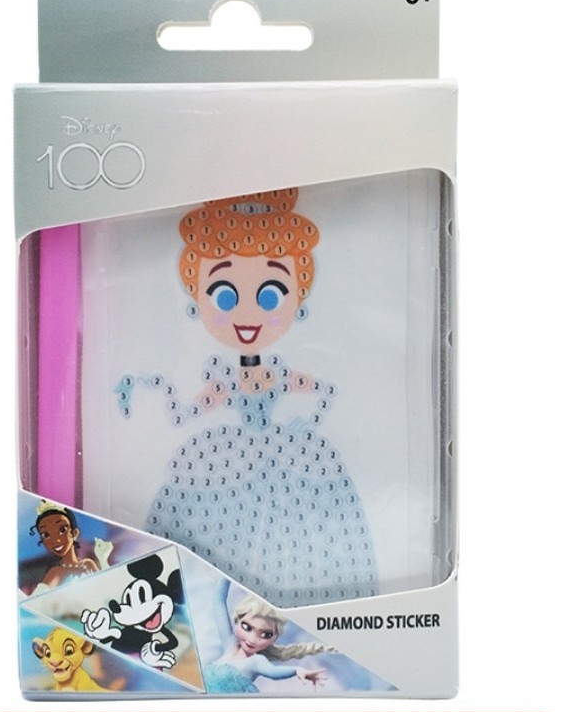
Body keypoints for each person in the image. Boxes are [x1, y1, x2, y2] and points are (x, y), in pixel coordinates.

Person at [119, 189, 377, 606]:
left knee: (292, 540)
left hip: (289, 455)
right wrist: (155, 388)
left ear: (299, 299)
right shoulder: (223, 378)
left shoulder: (278, 374)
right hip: (224, 458)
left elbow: (322, 392)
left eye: (270, 296)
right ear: (196, 299)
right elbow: (188, 411)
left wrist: (306, 424)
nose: (248, 314)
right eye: (224, 295)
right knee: (216, 533)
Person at [204, 585, 331, 693]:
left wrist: (296, 671)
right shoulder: (230, 644)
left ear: (275, 638)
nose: (252, 639)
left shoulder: (256, 661)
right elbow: (218, 602)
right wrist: (226, 575)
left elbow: (273, 672)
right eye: (247, 627)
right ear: (237, 621)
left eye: (265, 635)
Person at [29, 499, 113, 590]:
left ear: (75, 533)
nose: (56, 540)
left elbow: (106, 587)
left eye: (62, 530)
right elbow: (37, 596)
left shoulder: (88, 564)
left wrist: (103, 560)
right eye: (46, 535)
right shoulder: (55, 573)